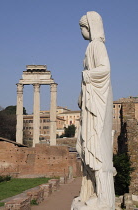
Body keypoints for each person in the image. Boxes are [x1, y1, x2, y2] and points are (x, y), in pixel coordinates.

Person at [75, 11, 115, 210]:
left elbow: (105, 69)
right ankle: (94, 193)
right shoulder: (92, 46)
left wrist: (86, 76)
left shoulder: (96, 45)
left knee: (96, 150)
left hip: (97, 105)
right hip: (91, 102)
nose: (81, 32)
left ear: (90, 27)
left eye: (82, 28)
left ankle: (105, 200)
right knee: (85, 149)